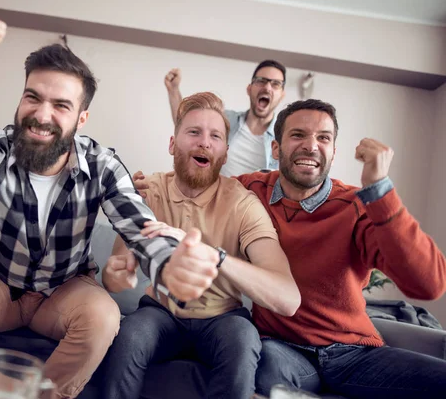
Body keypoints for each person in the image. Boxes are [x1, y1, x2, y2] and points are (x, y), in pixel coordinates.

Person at [0, 11, 220, 398]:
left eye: (61, 105)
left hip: (64, 291)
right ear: (21, 99)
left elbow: (139, 226)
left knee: (103, 316)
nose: (42, 115)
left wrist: (170, 261)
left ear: (81, 118)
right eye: (33, 97)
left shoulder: (102, 165)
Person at [134, 98, 446, 398]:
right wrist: (145, 189)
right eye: (298, 134)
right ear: (275, 148)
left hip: (353, 352)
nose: (311, 145)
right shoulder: (248, 192)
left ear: (333, 152)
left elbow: (428, 284)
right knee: (266, 373)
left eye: (323, 137)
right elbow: (198, 176)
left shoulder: (355, 205)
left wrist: (379, 189)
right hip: (280, 348)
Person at [100, 92, 300, 399]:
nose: (204, 142)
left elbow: (287, 299)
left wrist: (215, 256)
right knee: (130, 334)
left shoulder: (244, 205)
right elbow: (114, 277)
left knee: (243, 338)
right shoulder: (146, 192)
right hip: (160, 313)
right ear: (172, 143)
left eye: (215, 136)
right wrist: (118, 275)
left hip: (223, 320)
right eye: (194, 132)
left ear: (225, 151)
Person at [164, 60, 286, 175]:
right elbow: (184, 122)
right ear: (249, 89)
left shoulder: (284, 136)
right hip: (217, 195)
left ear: (282, 95)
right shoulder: (224, 119)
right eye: (261, 81)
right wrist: (173, 90)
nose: (267, 88)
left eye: (276, 84)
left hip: (256, 197)